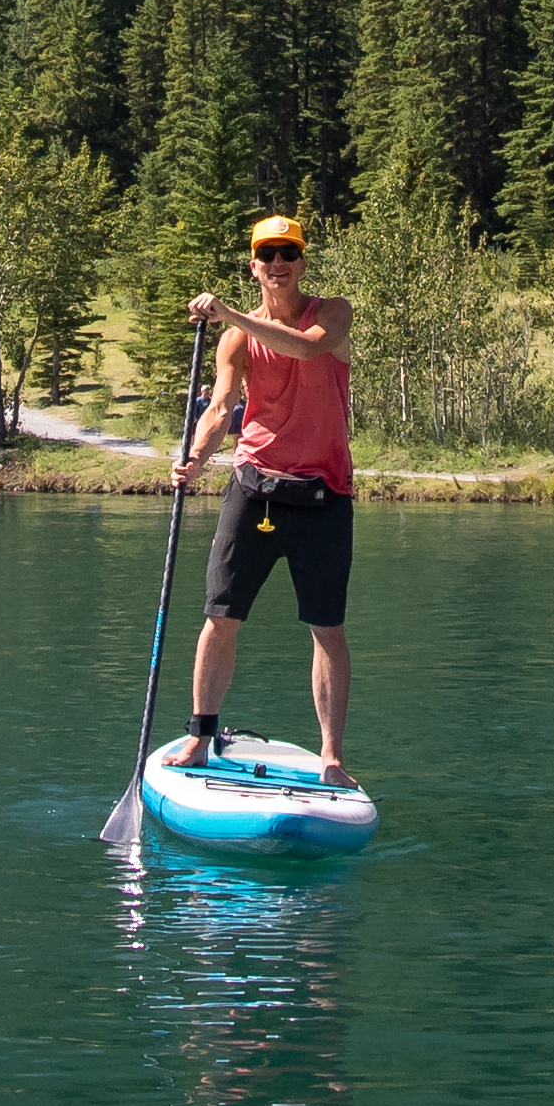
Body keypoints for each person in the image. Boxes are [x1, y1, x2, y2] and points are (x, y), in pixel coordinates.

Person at [176, 216, 357, 782]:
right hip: (254, 487)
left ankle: (331, 755)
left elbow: (306, 352)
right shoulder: (236, 337)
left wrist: (231, 314)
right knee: (220, 616)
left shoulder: (333, 313)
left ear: (301, 262)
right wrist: (197, 458)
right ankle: (200, 738)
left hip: (324, 493)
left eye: (288, 253)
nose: (277, 262)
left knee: (326, 627)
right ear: (253, 265)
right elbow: (220, 406)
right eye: (266, 254)